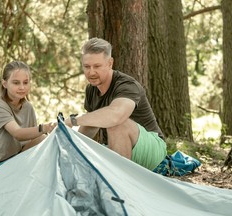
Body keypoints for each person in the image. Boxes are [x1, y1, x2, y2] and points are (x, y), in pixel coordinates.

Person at [65, 38, 166, 171]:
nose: (91, 72)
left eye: (97, 66)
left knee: (117, 123)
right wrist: (69, 144)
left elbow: (116, 116)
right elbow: (90, 125)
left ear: (110, 63)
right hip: (117, 149)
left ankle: (120, 185)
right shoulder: (91, 89)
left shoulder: (126, 85)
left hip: (152, 149)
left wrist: (74, 120)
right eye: (87, 67)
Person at [0, 61, 56, 173]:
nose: (22, 87)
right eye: (16, 83)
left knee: (43, 139)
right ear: (4, 84)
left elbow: (33, 139)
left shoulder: (28, 107)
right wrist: (45, 127)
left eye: (25, 82)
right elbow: (18, 133)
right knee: (43, 134)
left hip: (16, 162)